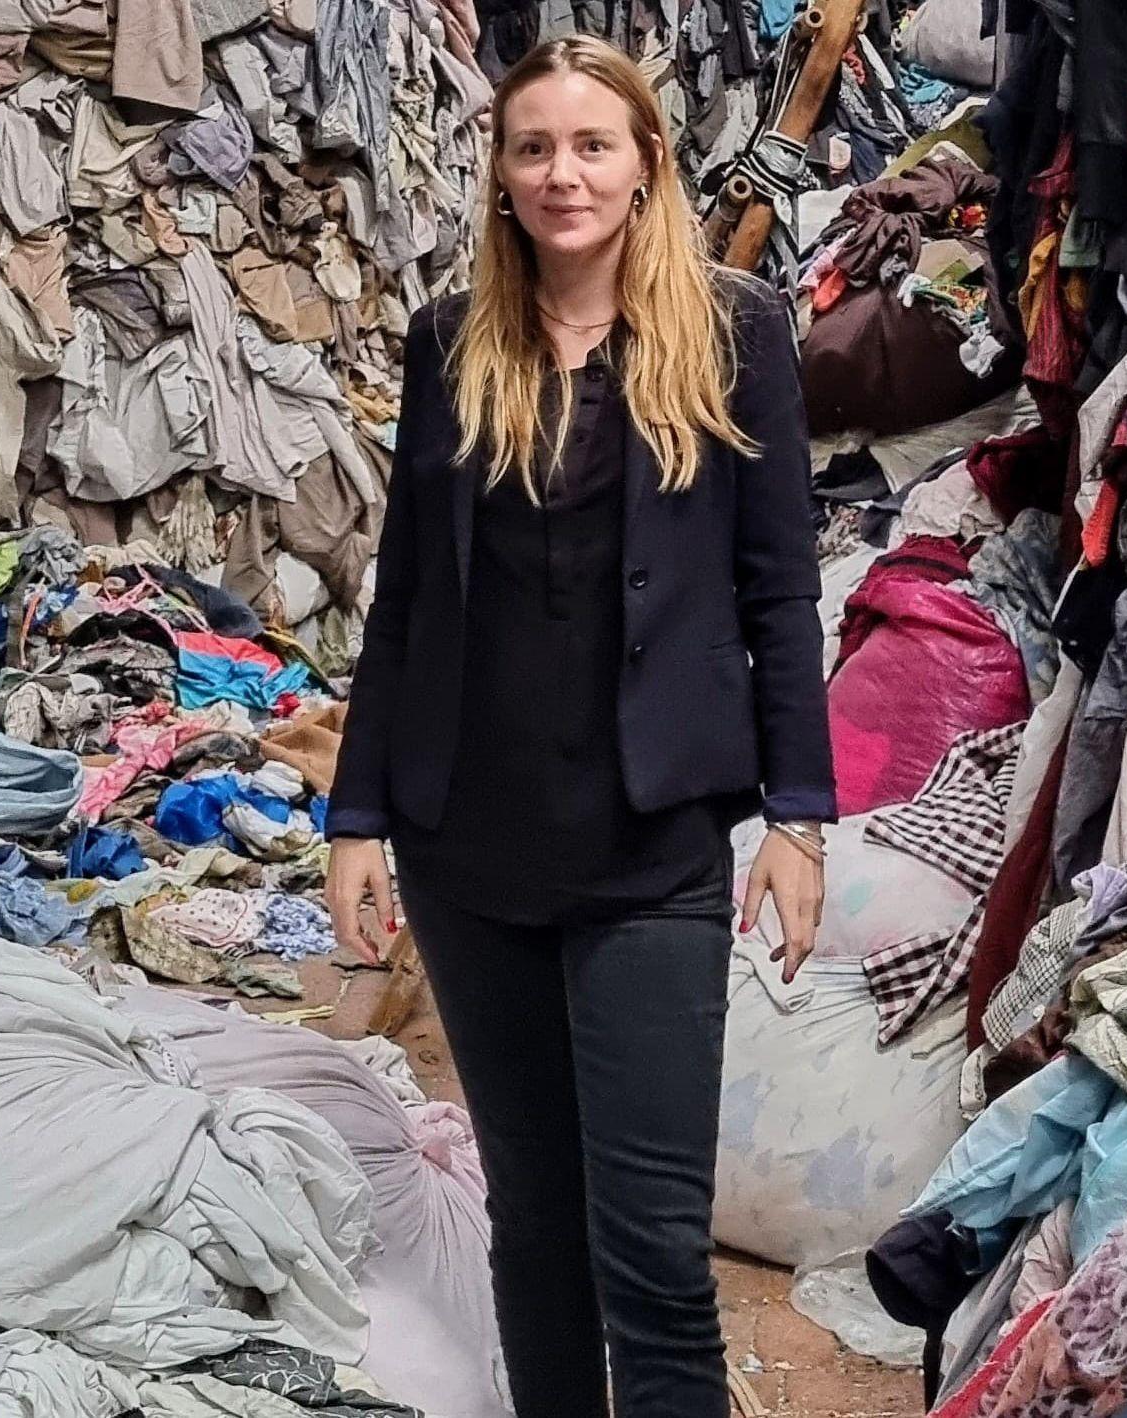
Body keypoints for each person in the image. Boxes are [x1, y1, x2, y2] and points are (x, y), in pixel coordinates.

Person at [322, 33, 835, 1418]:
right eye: (534, 145)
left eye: (591, 144)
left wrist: (801, 816)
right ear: (500, 170)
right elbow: (408, 597)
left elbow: (781, 594)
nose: (563, 173)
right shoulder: (451, 340)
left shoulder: (737, 336)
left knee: (655, 1254)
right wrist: (356, 817)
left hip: (650, 845)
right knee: (535, 1230)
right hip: (467, 845)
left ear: (646, 163)